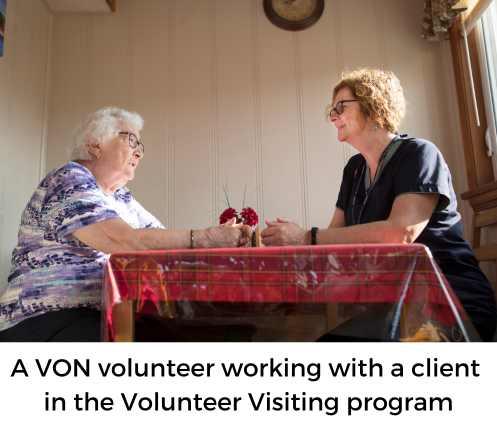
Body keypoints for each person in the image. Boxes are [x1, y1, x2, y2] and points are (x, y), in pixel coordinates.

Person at [261, 68, 497, 341]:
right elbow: (330, 248)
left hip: (449, 300)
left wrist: (304, 236)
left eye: (341, 106)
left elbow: (401, 234)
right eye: (331, 109)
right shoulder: (354, 170)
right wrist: (287, 253)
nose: (332, 115)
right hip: (397, 305)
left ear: (373, 105)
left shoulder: (419, 154)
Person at [0, 107, 251, 341]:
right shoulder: (70, 178)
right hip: (45, 319)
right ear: (94, 145)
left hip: (103, 314)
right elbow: (122, 240)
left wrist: (222, 243)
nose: (139, 152)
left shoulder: (121, 197)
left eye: (140, 145)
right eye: (131, 140)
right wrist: (205, 238)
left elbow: (162, 249)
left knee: (221, 331)